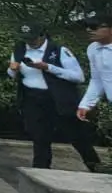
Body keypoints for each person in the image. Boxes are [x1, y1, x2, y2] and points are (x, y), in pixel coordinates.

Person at [9, 21, 100, 171]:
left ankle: (95, 165)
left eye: (33, 39)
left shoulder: (58, 50)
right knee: (39, 137)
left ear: (42, 36)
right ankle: (40, 169)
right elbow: (13, 73)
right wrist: (13, 70)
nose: (30, 43)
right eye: (26, 39)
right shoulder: (19, 49)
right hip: (33, 98)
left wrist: (48, 67)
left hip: (58, 99)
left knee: (75, 135)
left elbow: (78, 77)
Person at [80, 14, 112, 126]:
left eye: (94, 27)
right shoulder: (93, 48)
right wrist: (86, 105)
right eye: (87, 26)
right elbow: (97, 79)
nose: (89, 30)